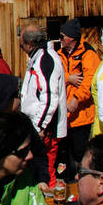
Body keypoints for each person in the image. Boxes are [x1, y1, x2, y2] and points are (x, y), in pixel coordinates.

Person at [19, 24, 67, 185]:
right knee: (36, 171)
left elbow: (50, 97)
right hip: (37, 126)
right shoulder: (38, 57)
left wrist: (39, 127)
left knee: (45, 172)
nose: (22, 48)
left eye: (21, 45)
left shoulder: (45, 60)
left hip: (45, 130)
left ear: (29, 44)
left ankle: (48, 199)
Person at [57, 19, 100, 172]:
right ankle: (66, 179)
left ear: (71, 38)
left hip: (82, 115)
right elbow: (55, 74)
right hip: (64, 114)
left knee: (79, 153)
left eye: (62, 37)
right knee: (64, 154)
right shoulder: (59, 54)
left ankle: (82, 179)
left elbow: (89, 81)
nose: (60, 40)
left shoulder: (88, 54)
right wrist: (69, 78)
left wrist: (77, 98)